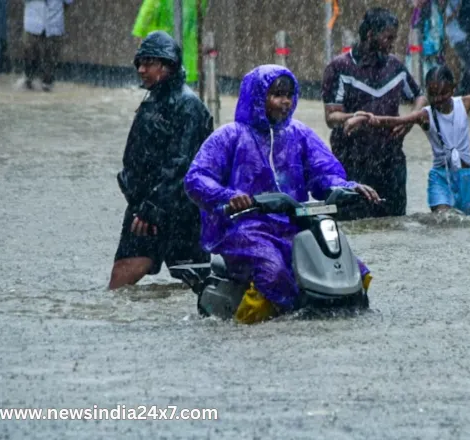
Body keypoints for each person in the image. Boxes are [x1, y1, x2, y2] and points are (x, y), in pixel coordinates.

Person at [184, 65, 381, 325]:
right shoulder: (230, 135)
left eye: (288, 94)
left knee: (353, 269)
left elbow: (324, 174)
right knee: (273, 271)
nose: (285, 101)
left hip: (293, 225)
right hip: (245, 228)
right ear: (257, 96)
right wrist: (229, 195)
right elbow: (196, 178)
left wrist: (347, 187)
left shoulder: (298, 134)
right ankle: (245, 328)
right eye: (276, 94)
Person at [344, 44, 470, 216]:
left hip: (466, 176)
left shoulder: (465, 103)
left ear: (453, 89)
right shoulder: (425, 115)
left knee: (465, 225)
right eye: (433, 94)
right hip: (440, 177)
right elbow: (394, 120)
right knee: (441, 220)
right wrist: (363, 118)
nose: (438, 99)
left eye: (443, 93)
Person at [109, 31, 213, 290]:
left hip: (181, 214)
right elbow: (135, 157)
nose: (142, 70)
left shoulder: (188, 106)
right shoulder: (152, 99)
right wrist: (136, 197)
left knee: (196, 287)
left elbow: (181, 165)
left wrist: (153, 208)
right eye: (139, 64)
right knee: (120, 285)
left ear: (167, 65)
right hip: (142, 207)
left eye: (149, 63)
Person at [322, 7, 427, 221]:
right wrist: (353, 117)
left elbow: (419, 96)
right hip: (352, 161)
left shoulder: (395, 67)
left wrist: (410, 120)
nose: (392, 44)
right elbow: (331, 117)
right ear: (370, 35)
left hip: (391, 160)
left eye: (394, 38)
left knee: (394, 223)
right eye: (388, 38)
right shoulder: (339, 67)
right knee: (353, 224)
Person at [21, 0, 73, 92]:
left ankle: (47, 83)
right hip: (33, 21)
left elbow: (68, 2)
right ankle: (28, 79)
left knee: (51, 54)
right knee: (30, 51)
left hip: (54, 22)